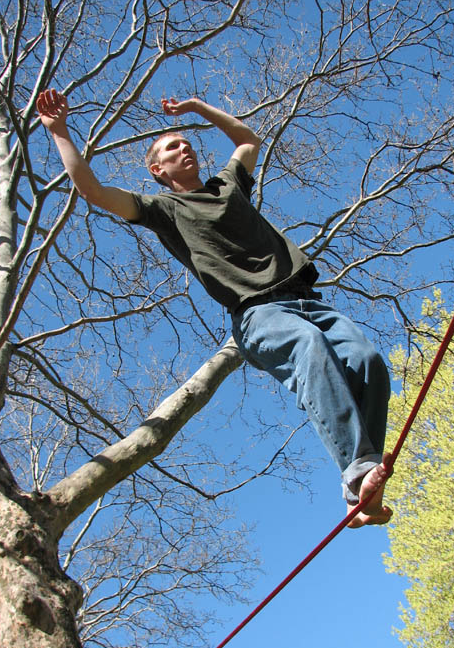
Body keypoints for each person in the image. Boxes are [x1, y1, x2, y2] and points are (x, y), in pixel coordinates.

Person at [37, 89, 392, 527]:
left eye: (187, 143)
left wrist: (197, 108)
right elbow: (92, 190)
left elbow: (247, 140)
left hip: (305, 298)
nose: (183, 148)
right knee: (309, 346)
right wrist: (59, 132)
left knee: (368, 361)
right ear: (157, 170)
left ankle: (363, 488)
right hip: (258, 315)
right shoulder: (162, 209)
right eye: (172, 148)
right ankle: (357, 476)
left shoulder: (228, 185)